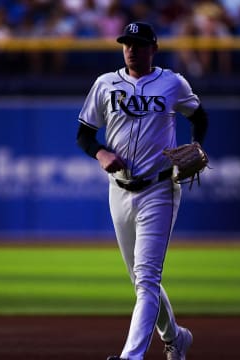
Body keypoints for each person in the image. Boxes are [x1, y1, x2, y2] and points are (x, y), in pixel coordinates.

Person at [76, 22, 208, 360]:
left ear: (154, 48)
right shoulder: (105, 84)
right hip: (118, 191)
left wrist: (196, 144)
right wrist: (101, 152)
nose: (131, 49)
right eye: (126, 43)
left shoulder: (172, 83)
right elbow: (84, 135)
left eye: (138, 43)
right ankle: (176, 338)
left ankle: (129, 357)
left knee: (147, 278)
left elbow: (199, 115)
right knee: (141, 281)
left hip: (160, 190)